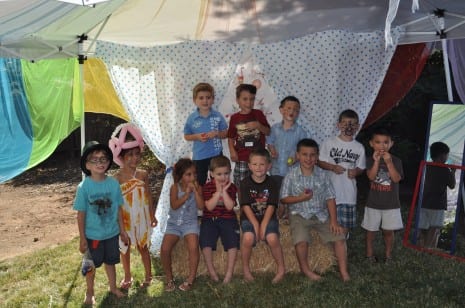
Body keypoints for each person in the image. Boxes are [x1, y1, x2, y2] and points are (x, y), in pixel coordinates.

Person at [280, 138, 349, 281]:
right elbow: (284, 199)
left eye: (312, 155)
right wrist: (300, 198)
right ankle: (306, 270)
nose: (308, 158)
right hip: (299, 214)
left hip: (320, 214)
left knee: (340, 238)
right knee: (301, 241)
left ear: (317, 157)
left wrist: (334, 221)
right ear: (297, 155)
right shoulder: (290, 175)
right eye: (304, 154)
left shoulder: (323, 175)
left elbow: (330, 198)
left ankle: (344, 272)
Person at [73, 141, 129, 305]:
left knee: (111, 262)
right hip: (93, 237)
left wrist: (122, 231)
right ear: (86, 164)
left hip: (112, 234)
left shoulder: (113, 184)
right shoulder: (83, 187)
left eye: (103, 159)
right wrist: (82, 238)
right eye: (94, 159)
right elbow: (80, 215)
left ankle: (113, 287)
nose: (100, 163)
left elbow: (118, 209)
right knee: (90, 266)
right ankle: (89, 292)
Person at [108, 123, 158, 289]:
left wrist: (152, 215)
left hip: (142, 217)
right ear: (121, 157)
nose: (135, 158)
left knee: (143, 246)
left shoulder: (143, 174)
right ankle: (127, 276)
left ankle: (148, 275)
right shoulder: (116, 178)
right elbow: (115, 204)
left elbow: (149, 196)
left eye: (137, 154)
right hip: (126, 219)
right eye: (130, 155)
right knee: (125, 248)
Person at [239, 148, 286, 283]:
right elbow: (245, 206)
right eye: (254, 164)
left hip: (268, 217)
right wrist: (255, 225)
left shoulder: (272, 183)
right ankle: (246, 270)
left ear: (269, 166)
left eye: (262, 164)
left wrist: (263, 226)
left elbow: (271, 206)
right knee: (248, 238)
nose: (258, 167)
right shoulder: (244, 183)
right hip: (249, 218)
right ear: (249, 166)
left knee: (272, 238)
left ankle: (281, 269)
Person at [318, 109, 366, 237]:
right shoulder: (329, 143)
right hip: (330, 194)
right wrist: (333, 167)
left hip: (348, 195)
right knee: (328, 227)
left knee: (344, 229)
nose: (348, 127)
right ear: (338, 125)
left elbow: (361, 168)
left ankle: (342, 247)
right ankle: (332, 253)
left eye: (352, 124)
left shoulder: (359, 147)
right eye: (345, 123)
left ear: (357, 127)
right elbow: (320, 162)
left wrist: (356, 172)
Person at [160, 158, 205, 292]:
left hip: (190, 223)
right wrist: (186, 195)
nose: (193, 177)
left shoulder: (198, 187)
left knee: (193, 246)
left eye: (194, 174)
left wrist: (196, 192)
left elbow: (201, 206)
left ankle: (190, 279)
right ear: (180, 176)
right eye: (188, 174)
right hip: (173, 224)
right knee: (165, 249)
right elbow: (174, 206)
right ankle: (169, 278)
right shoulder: (174, 188)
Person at [361, 127, 403, 263]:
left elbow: (396, 179)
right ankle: (369, 255)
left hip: (391, 204)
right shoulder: (369, 160)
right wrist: (377, 161)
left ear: (391, 144)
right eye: (378, 142)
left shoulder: (396, 160)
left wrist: (389, 162)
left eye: (385, 142)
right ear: (372, 144)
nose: (382, 145)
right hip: (373, 203)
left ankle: (388, 256)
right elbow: (371, 177)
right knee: (370, 231)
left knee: (388, 231)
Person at [200, 156, 239, 284]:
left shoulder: (232, 187)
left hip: (228, 219)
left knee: (233, 242)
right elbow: (209, 207)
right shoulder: (206, 187)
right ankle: (212, 272)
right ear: (211, 174)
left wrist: (225, 192)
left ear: (230, 173)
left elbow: (229, 207)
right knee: (205, 243)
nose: (223, 177)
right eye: (219, 174)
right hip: (210, 219)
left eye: (226, 174)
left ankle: (229, 273)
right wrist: (218, 192)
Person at [184, 82, 228, 186]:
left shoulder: (217, 116)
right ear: (195, 100)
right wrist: (197, 137)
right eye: (201, 98)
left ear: (212, 99)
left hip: (217, 155)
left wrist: (217, 134)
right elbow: (186, 136)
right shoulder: (192, 118)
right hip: (199, 157)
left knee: (219, 182)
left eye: (208, 97)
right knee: (199, 183)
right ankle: (201, 202)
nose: (205, 101)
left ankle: (219, 200)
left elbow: (225, 133)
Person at [228, 84, 270, 190]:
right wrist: (232, 151)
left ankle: (257, 205)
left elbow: (268, 131)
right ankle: (243, 205)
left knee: (259, 184)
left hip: (258, 159)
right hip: (241, 157)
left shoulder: (258, 114)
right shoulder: (234, 118)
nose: (248, 102)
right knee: (241, 184)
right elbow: (230, 137)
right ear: (237, 100)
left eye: (252, 99)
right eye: (245, 99)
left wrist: (258, 125)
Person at [418, 141, 456, 248]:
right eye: (447, 154)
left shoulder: (427, 167)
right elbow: (452, 185)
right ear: (442, 155)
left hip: (424, 202)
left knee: (422, 229)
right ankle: (428, 251)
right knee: (434, 230)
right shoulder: (445, 170)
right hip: (437, 205)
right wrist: (453, 172)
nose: (447, 157)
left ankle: (419, 249)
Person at [267, 96, 308, 177]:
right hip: (275, 171)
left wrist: (296, 158)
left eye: (295, 110)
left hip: (292, 173)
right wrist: (272, 151)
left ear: (298, 113)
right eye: (289, 108)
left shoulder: (301, 132)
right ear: (281, 110)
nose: (292, 111)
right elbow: (270, 142)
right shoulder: (274, 128)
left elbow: (303, 151)